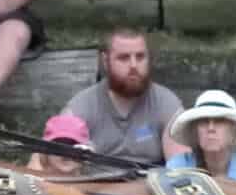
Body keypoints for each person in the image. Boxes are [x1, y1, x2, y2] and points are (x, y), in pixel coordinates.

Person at [59, 28, 182, 165]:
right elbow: (44, 163)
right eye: (124, 58)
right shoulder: (80, 107)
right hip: (94, 183)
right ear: (105, 61)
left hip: (151, 182)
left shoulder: (167, 103)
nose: (134, 65)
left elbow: (181, 170)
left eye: (140, 57)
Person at [164, 90, 236, 189]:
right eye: (204, 121)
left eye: (220, 121)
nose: (211, 128)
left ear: (233, 131)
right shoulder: (179, 165)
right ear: (196, 131)